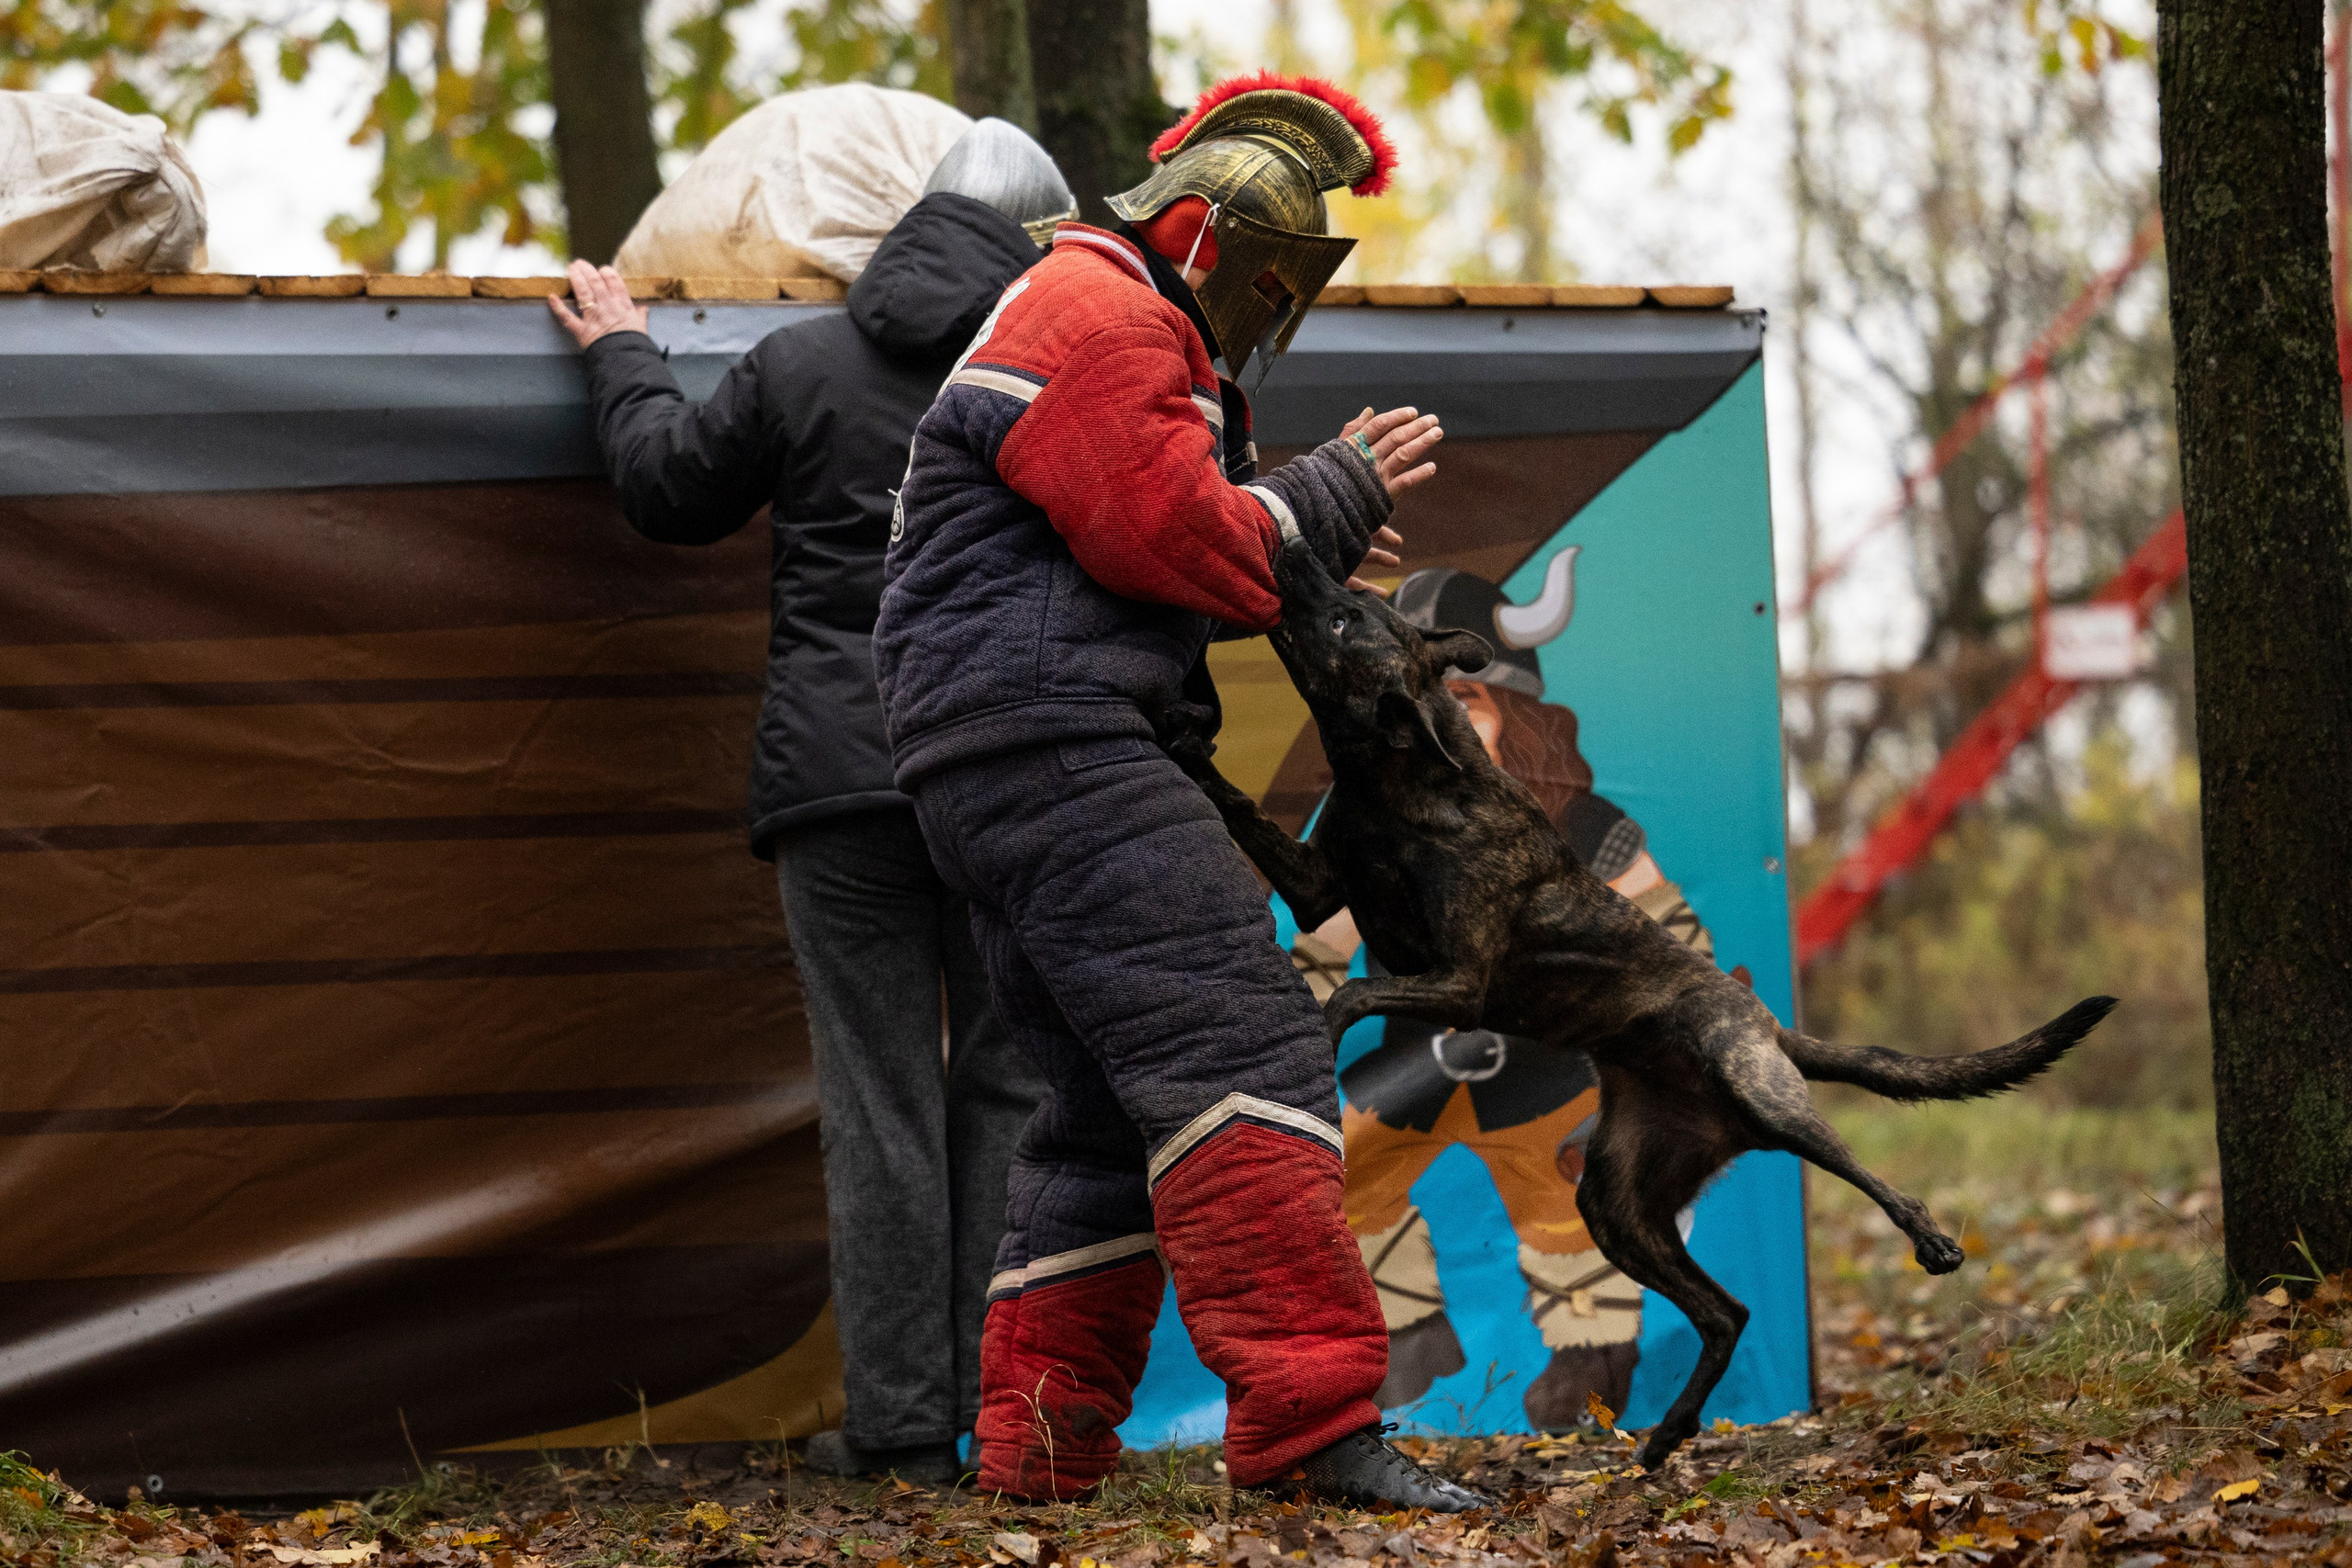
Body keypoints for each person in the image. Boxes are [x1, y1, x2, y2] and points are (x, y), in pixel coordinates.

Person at [870, 72, 1481, 1511]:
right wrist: (1320, 495)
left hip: (1001, 753)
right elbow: (1165, 532)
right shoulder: (1100, 308)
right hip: (1057, 748)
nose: (1275, 304)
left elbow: (1132, 552)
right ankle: (1315, 1427)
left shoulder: (1092, 316)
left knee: (1095, 1113)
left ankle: (1035, 1452)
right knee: (1247, 1042)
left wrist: (1303, 538)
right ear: (1206, 235)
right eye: (1271, 271)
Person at [547, 118, 1075, 1485]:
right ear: (1034, 247)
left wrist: (621, 351)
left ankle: (901, 1426)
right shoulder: (1053, 374)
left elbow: (666, 490)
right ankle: (999, 1419)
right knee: (1014, 1086)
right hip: (1005, 776)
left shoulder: (802, 360)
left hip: (840, 785)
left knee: (879, 1099)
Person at [1288, 558, 1722, 1434]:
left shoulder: (1579, 825)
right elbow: (1322, 949)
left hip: (1545, 1081)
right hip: (1403, 1073)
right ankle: (1405, 1339)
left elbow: (1669, 937)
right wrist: (1294, 1026)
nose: (1436, 721)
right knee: (1330, 1187)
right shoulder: (1367, 817)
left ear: (1514, 714)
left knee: (1574, 1220)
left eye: (1466, 702)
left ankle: (1591, 1365)